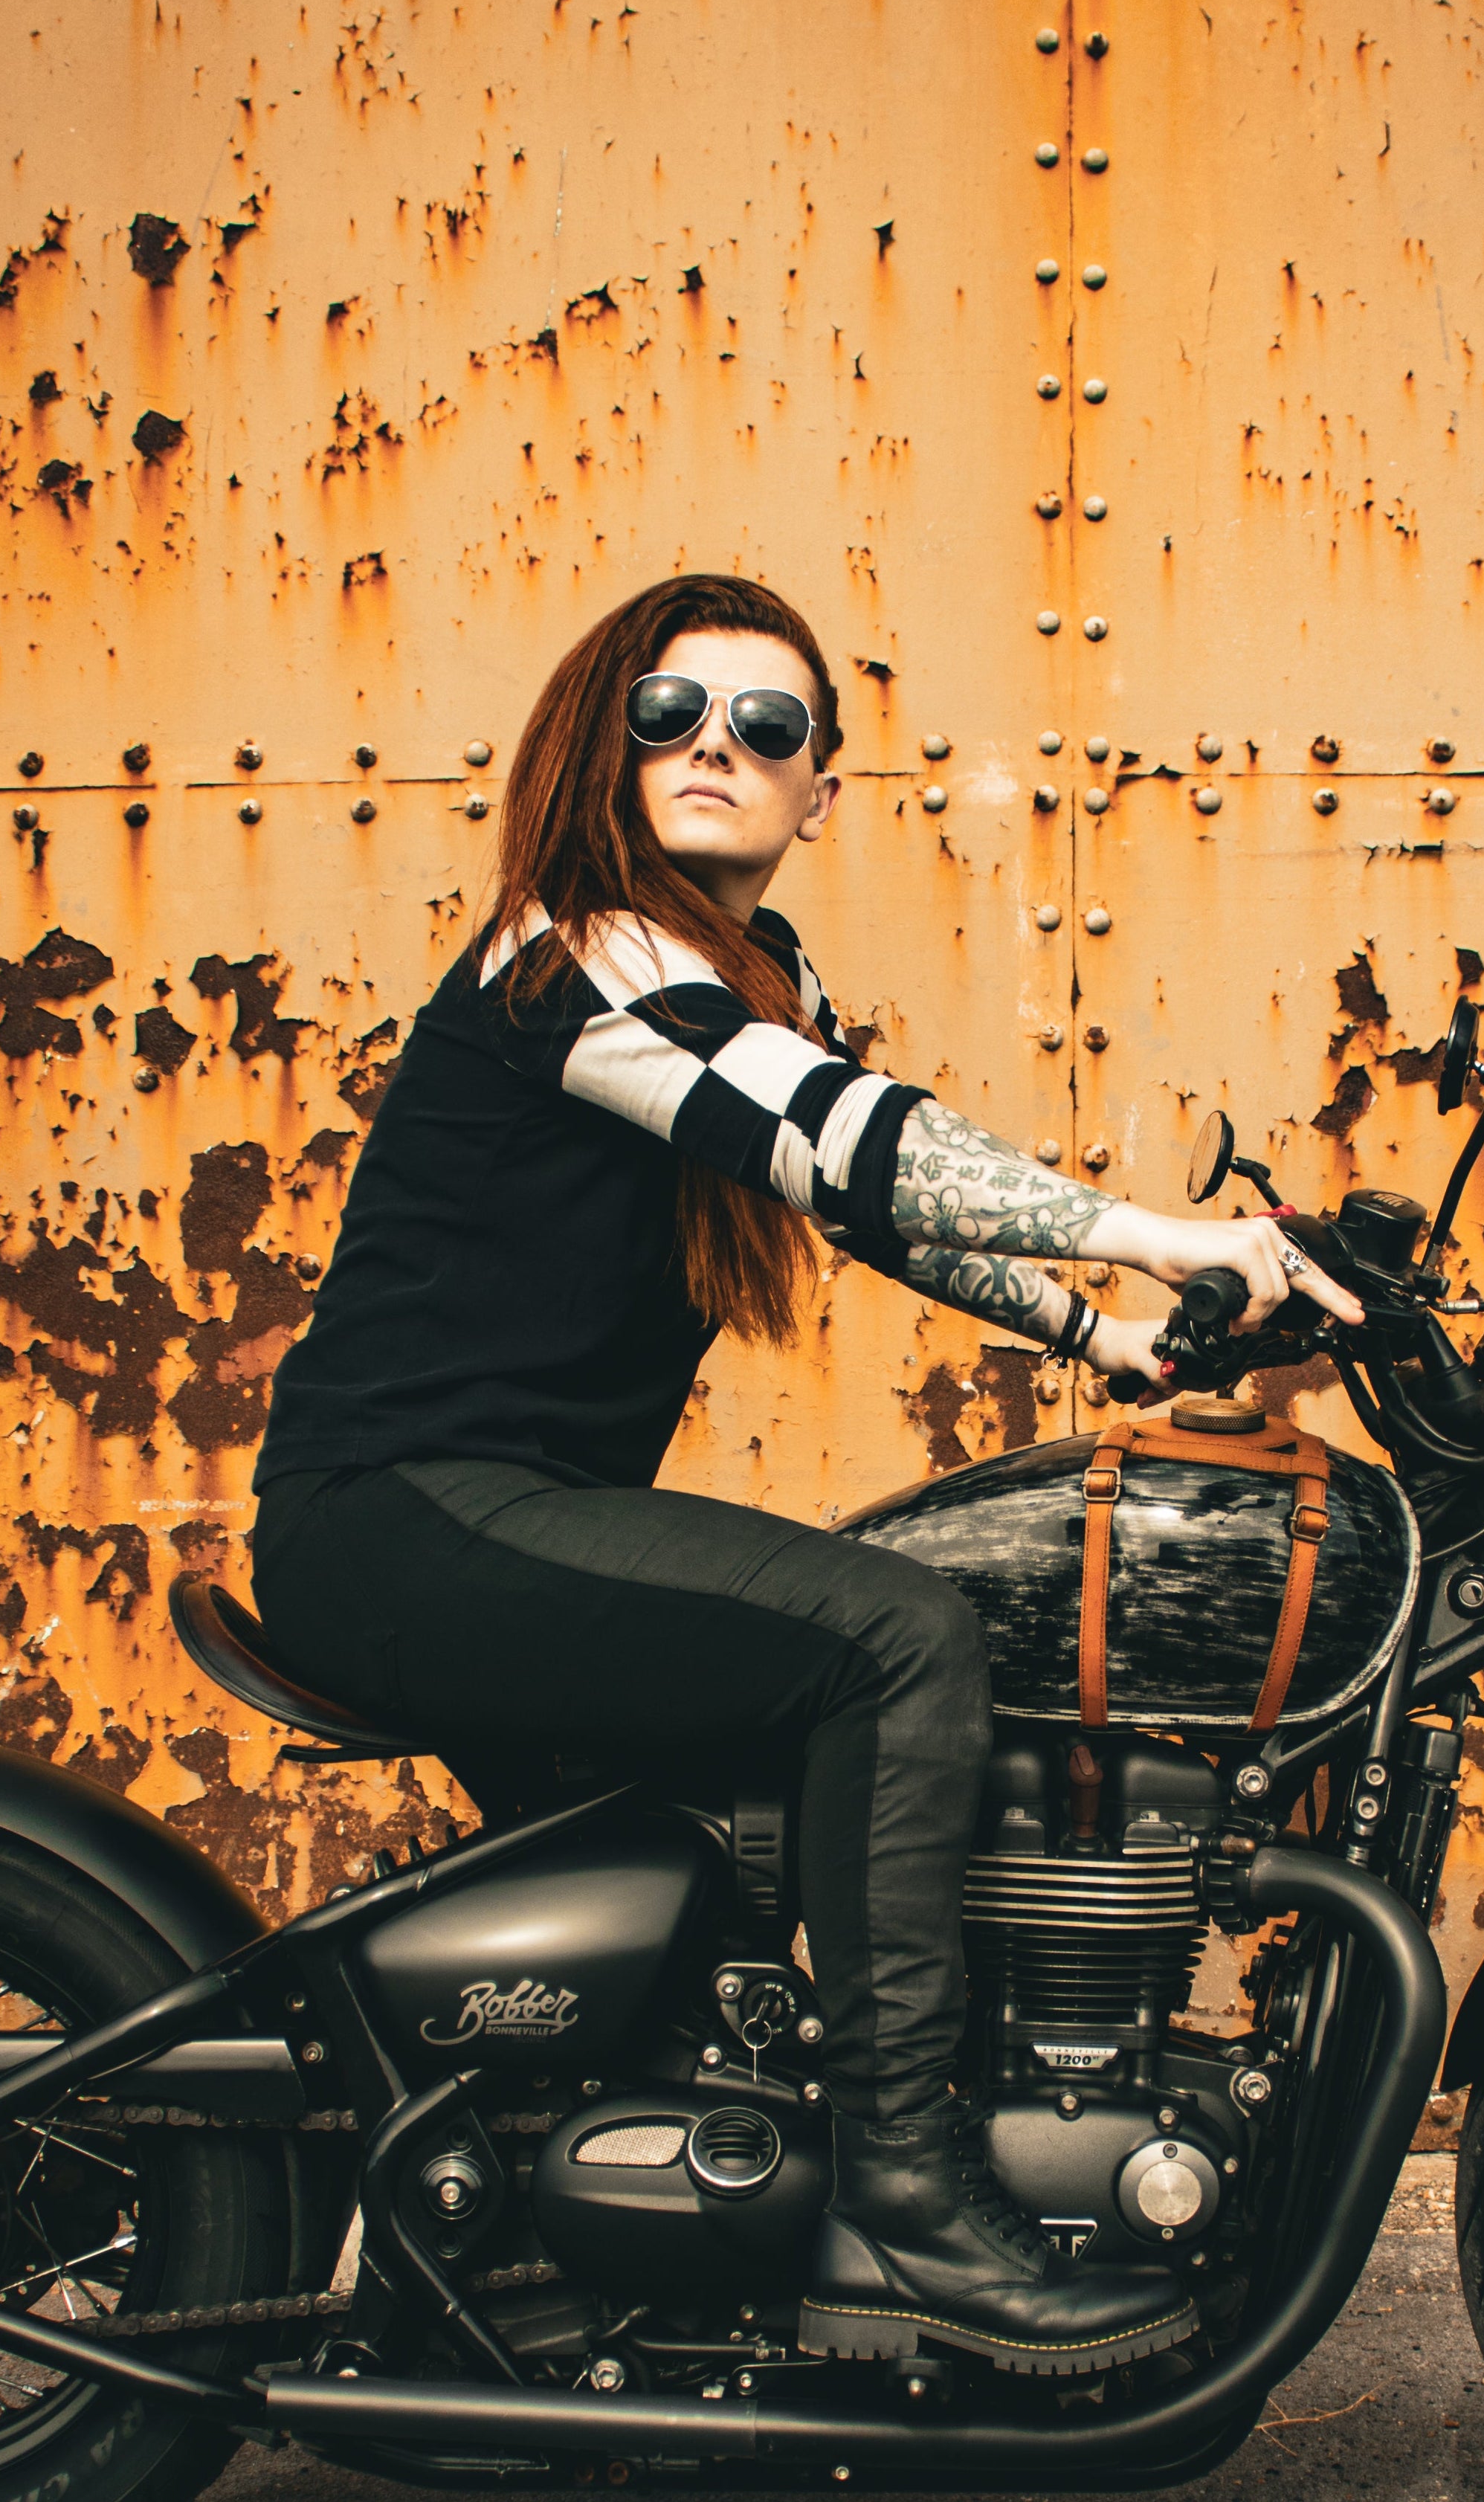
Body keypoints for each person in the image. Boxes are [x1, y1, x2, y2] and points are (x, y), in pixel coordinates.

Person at [250, 573, 1361, 2373]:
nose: (715, 749)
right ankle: (912, 2191)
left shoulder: (746, 981)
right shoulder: (580, 951)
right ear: (605, 738)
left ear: (818, 793)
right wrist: (1155, 1236)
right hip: (405, 1513)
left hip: (501, 1516)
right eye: (671, 710)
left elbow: (863, 1193)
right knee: (899, 1634)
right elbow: (850, 1141)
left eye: (766, 728)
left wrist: (1126, 1345)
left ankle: (586, 2246)